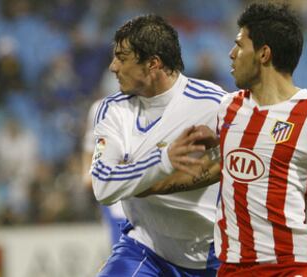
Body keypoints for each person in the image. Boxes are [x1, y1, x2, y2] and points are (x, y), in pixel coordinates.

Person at [144, 3, 307, 276]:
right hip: (232, 268)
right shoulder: (228, 109)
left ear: (264, 54)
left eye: (239, 46)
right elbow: (216, 169)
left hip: (292, 267)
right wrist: (142, 184)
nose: (231, 55)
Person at [90, 14, 226, 276]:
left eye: (122, 57)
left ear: (153, 63)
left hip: (213, 257)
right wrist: (163, 161)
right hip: (146, 249)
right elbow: (104, 185)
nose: (112, 67)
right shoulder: (113, 110)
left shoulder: (215, 105)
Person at [82, 96, 126, 246]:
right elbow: (96, 144)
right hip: (115, 194)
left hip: (144, 189)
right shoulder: (101, 108)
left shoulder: (148, 105)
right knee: (120, 247)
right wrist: (90, 172)